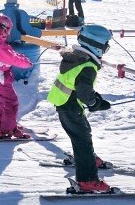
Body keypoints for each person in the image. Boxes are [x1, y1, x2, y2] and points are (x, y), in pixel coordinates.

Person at [47, 24, 113, 193]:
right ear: (96, 45)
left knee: (83, 134)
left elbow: (77, 84)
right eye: (105, 45)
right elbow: (84, 92)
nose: (106, 49)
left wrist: (93, 98)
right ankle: (87, 180)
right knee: (82, 140)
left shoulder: (76, 56)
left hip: (64, 103)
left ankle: (88, 158)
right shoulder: (88, 66)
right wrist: (94, 103)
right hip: (70, 106)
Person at [0, 14, 33, 139]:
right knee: (11, 102)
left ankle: (1, 121)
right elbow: (11, 58)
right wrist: (25, 63)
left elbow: (11, 53)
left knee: (3, 100)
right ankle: (7, 130)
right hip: (0, 77)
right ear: (3, 29)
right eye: (7, 29)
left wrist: (23, 58)